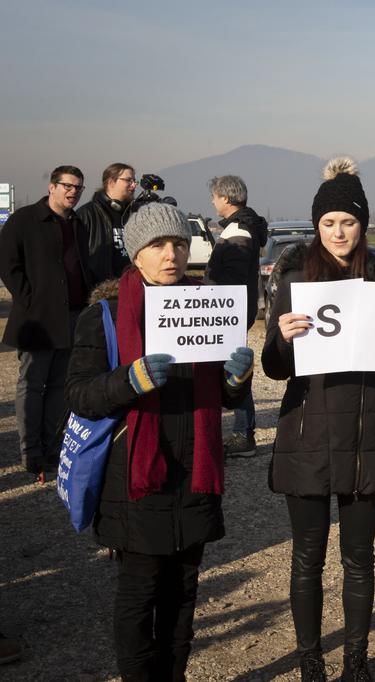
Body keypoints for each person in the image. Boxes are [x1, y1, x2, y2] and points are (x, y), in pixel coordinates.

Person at [64, 202, 254, 680]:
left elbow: (228, 400)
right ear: (136, 255)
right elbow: (81, 396)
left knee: (184, 594)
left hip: (196, 472)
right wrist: (130, 379)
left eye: (178, 244)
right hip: (136, 478)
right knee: (139, 594)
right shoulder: (104, 316)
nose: (170, 255)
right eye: (157, 245)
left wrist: (237, 379)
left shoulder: (209, 305)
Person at [262, 157, 375, 682]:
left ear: (362, 225)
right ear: (317, 225)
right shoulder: (292, 278)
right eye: (329, 222)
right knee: (308, 557)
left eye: (349, 222)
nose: (338, 232)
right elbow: (273, 367)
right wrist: (282, 338)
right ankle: (311, 660)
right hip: (307, 431)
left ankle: (356, 660)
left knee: (359, 557)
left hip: (365, 430)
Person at [0, 165, 96, 476]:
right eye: (67, 185)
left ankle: (53, 447)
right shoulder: (25, 219)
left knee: (59, 386)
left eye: (78, 187)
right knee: (31, 384)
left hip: (73, 316)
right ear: (52, 187)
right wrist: (28, 298)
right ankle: (30, 451)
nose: (73, 192)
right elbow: (7, 264)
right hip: (38, 319)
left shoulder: (78, 223)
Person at [206, 175, 269, 457]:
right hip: (234, 311)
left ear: (226, 198)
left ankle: (243, 435)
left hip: (228, 313)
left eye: (215, 197)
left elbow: (232, 281)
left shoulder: (238, 232)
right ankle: (241, 432)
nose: (213, 202)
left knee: (235, 370)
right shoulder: (242, 227)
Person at [77, 162, 136, 281]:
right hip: (101, 289)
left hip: (132, 286)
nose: (133, 185)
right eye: (128, 180)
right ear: (111, 182)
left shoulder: (136, 213)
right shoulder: (87, 214)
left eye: (134, 181)